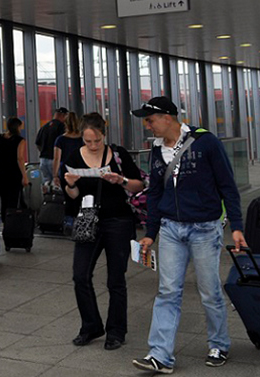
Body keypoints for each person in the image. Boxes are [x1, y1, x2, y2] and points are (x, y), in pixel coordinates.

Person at [131, 96, 247, 374]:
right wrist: (151, 233)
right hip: (171, 228)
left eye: (150, 119)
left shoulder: (206, 142)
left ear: (167, 117)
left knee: (209, 291)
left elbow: (227, 186)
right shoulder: (156, 151)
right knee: (168, 291)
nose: (147, 125)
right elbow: (156, 194)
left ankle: (219, 344)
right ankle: (160, 355)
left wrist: (238, 227)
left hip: (205, 228)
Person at [62, 113, 144, 351]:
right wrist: (70, 184)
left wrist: (121, 180)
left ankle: (116, 331)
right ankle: (91, 325)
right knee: (80, 275)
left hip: (118, 220)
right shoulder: (74, 157)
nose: (93, 145)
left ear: (103, 135)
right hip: (88, 219)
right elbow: (73, 196)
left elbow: (138, 184)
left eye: (96, 140)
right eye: (88, 141)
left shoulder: (118, 155)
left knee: (116, 279)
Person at [0, 117, 28, 221]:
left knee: (4, 200)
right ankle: (13, 223)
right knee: (13, 201)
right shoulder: (20, 140)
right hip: (13, 175)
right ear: (18, 127)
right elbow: (20, 158)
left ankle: (5, 222)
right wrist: (25, 176)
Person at [55, 111, 84, 220]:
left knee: (68, 198)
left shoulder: (60, 140)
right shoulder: (82, 139)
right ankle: (81, 220)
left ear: (65, 124)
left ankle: (69, 221)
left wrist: (55, 175)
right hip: (81, 172)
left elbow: (57, 158)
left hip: (66, 172)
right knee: (81, 197)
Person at [36, 107, 68, 188]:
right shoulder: (61, 127)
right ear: (63, 115)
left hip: (43, 160)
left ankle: (47, 200)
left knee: (47, 185)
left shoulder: (44, 127)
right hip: (54, 161)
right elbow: (62, 144)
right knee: (58, 186)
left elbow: (37, 143)